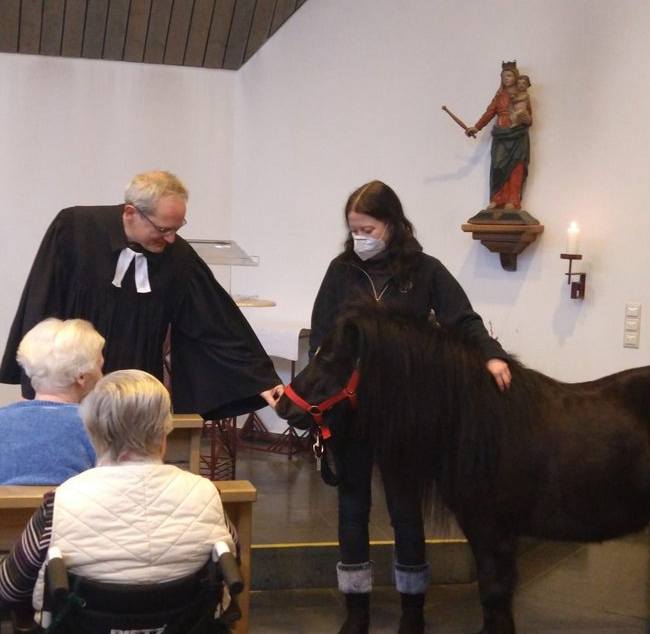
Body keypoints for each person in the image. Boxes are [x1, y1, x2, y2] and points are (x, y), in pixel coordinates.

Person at [310, 180, 511, 634]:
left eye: (367, 226)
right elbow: (322, 337)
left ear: (392, 225)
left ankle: (412, 612)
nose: (359, 235)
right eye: (353, 227)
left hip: (404, 417)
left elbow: (464, 320)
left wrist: (491, 354)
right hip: (353, 411)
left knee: (405, 509)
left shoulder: (426, 270)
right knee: (352, 506)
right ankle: (356, 611)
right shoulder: (341, 271)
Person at [0, 171, 283, 418]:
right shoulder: (74, 229)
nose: (171, 238)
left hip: (135, 391)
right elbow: (40, 304)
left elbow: (217, 322)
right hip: (71, 386)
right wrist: (33, 384)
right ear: (130, 213)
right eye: (163, 229)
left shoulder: (178, 258)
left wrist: (262, 379)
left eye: (177, 227)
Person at [0, 369, 237, 626]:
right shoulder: (205, 495)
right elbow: (231, 561)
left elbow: (10, 588)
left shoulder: (60, 503)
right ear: (164, 436)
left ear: (93, 434)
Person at [0, 317, 103, 485]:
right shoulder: (98, 426)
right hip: (69, 510)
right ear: (81, 377)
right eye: (100, 367)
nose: (101, 375)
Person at [465, 61, 532, 210]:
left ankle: (512, 200)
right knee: (497, 167)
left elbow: (530, 119)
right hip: (501, 135)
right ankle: (497, 198)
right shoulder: (499, 97)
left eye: (509, 75)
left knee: (516, 167)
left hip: (518, 135)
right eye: (503, 76)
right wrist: (476, 127)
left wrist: (524, 117)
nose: (506, 79)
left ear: (515, 77)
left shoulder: (522, 96)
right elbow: (489, 113)